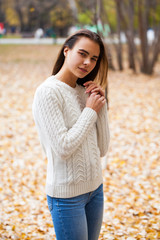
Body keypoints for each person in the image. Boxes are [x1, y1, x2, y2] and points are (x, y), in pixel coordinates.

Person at [32, 29, 110, 240]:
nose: (87, 62)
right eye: (82, 53)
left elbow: (102, 149)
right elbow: (63, 148)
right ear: (67, 51)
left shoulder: (82, 91)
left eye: (94, 58)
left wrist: (100, 107)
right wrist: (91, 110)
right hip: (67, 198)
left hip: (95, 190)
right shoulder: (48, 92)